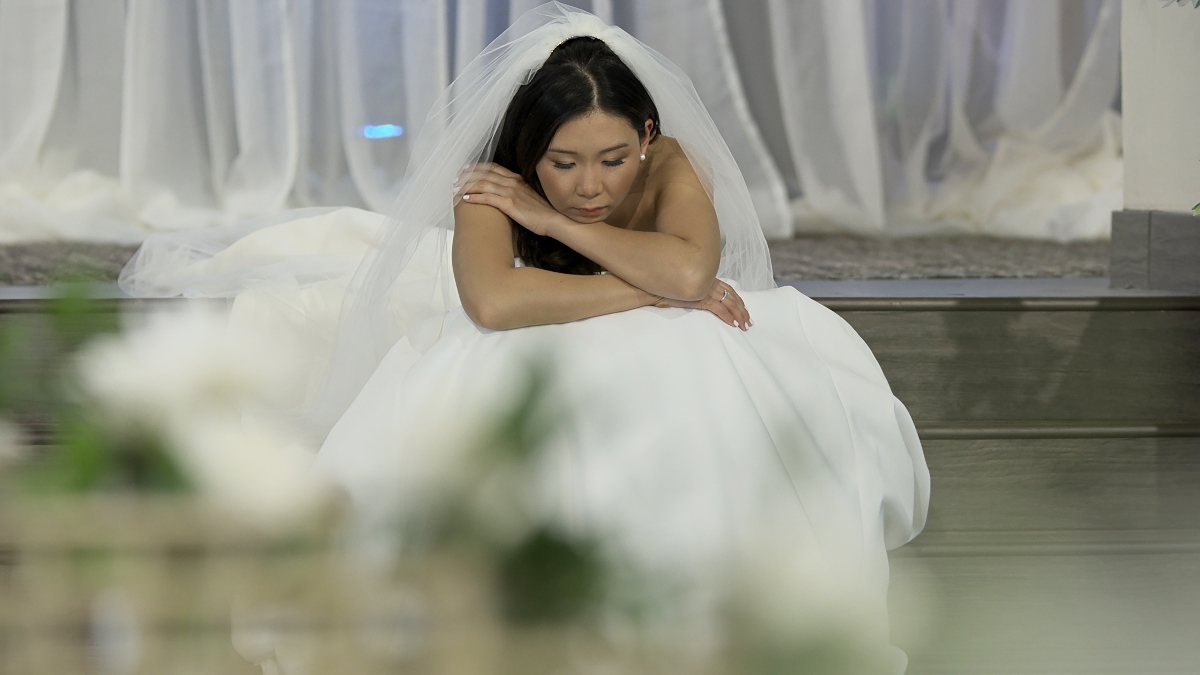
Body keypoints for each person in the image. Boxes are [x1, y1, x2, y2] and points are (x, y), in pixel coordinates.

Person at [121, 3, 928, 670]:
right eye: (562, 163)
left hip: (649, 317)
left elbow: (692, 272)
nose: (590, 185)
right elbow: (497, 301)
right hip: (527, 328)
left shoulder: (673, 164)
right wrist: (564, 234)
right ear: (527, 151)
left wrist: (640, 270)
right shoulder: (493, 182)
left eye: (613, 158)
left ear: (646, 135)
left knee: (710, 368)